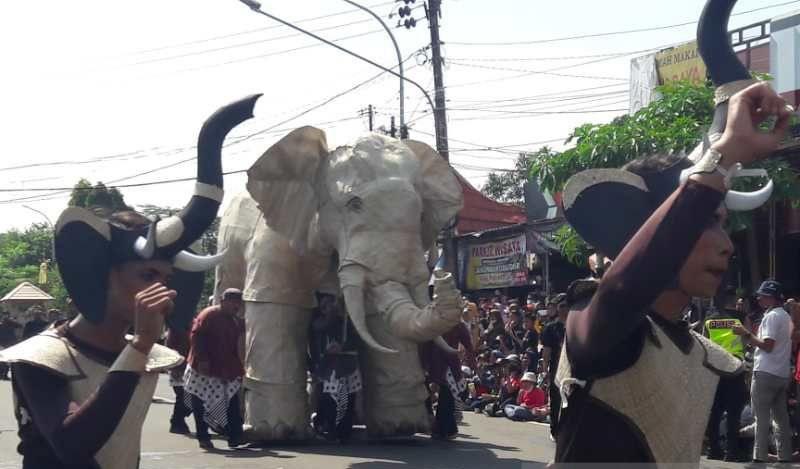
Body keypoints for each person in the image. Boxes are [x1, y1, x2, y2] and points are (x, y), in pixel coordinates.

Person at [551, 4, 792, 460]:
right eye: (704, 222)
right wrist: (721, 157)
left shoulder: (692, 346)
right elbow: (626, 290)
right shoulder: (596, 325)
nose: (725, 245)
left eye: (723, 225)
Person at [733, 280, 794, 462]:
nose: (758, 298)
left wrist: (745, 333)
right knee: (780, 418)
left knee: (761, 417)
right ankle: (784, 456)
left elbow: (767, 345)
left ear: (770, 298)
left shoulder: (771, 316)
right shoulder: (785, 316)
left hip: (766, 372)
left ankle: (759, 457)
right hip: (781, 373)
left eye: (762, 295)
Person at [185, 288, 246, 450]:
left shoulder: (236, 321)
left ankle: (234, 436)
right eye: (233, 302)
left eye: (239, 302)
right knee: (200, 402)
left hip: (225, 368)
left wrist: (237, 368)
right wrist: (203, 360)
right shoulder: (209, 315)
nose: (237, 306)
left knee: (232, 400)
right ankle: (203, 437)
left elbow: (235, 347)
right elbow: (196, 337)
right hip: (204, 368)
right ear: (223, 301)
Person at [309, 294, 362, 442]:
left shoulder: (347, 323)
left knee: (348, 399)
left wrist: (343, 347)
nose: (329, 308)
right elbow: (319, 329)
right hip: (329, 368)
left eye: (331, 305)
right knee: (329, 400)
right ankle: (329, 428)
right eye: (325, 306)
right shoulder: (319, 323)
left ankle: (344, 431)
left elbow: (356, 341)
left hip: (346, 367)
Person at [704, 294, 748, 461]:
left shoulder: (709, 321)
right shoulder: (740, 319)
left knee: (714, 412)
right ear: (732, 303)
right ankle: (731, 452)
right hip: (734, 367)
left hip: (715, 368)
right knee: (733, 413)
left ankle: (713, 449)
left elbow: (704, 342)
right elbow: (747, 340)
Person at [421, 318, 474, 439]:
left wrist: (472, 364)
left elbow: (468, 345)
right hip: (434, 363)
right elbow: (425, 345)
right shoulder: (432, 322)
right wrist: (424, 364)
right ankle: (436, 424)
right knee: (426, 392)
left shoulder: (457, 324)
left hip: (449, 364)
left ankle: (445, 429)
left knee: (447, 395)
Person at [541, 298, 569, 439]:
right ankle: (555, 429)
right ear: (558, 308)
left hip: (573, 370)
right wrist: (545, 369)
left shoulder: (575, 325)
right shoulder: (551, 328)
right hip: (557, 369)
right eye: (562, 306)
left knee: (572, 400)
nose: (564, 309)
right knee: (556, 399)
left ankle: (568, 429)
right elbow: (547, 350)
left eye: (566, 306)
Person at [166, 326, 192, 435]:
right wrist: (174, 366)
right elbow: (170, 347)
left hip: (188, 366)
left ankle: (177, 420)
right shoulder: (176, 328)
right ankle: (176, 421)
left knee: (188, 397)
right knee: (182, 396)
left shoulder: (192, 324)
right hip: (178, 366)